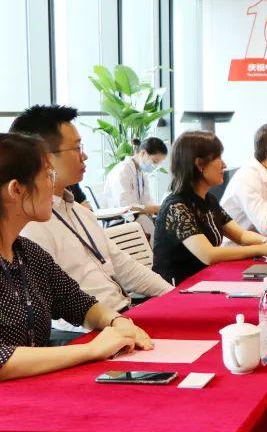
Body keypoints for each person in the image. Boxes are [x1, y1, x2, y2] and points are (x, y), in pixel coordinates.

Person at [10, 106, 172, 343]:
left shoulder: (77, 213)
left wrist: (172, 297)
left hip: (114, 320)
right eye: (77, 148)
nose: (84, 156)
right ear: (44, 158)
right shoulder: (29, 230)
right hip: (79, 335)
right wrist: (102, 338)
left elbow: (118, 270)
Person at [0, 133, 153, 381]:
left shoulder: (27, 252)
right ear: (16, 189)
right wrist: (91, 350)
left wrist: (116, 321)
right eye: (47, 176)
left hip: (34, 391)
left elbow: (78, 303)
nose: (53, 185)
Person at [153, 131, 267, 285]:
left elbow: (241, 236)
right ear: (199, 164)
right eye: (218, 158)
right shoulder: (176, 206)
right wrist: (262, 249)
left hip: (205, 280)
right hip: (176, 288)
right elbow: (209, 255)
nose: (224, 165)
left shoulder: (209, 200)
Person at [102, 137, 167, 216]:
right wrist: (156, 208)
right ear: (143, 153)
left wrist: (157, 209)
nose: (154, 166)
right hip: (121, 218)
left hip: (137, 216)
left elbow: (147, 200)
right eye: (154, 161)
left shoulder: (141, 173)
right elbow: (126, 206)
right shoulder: (122, 171)